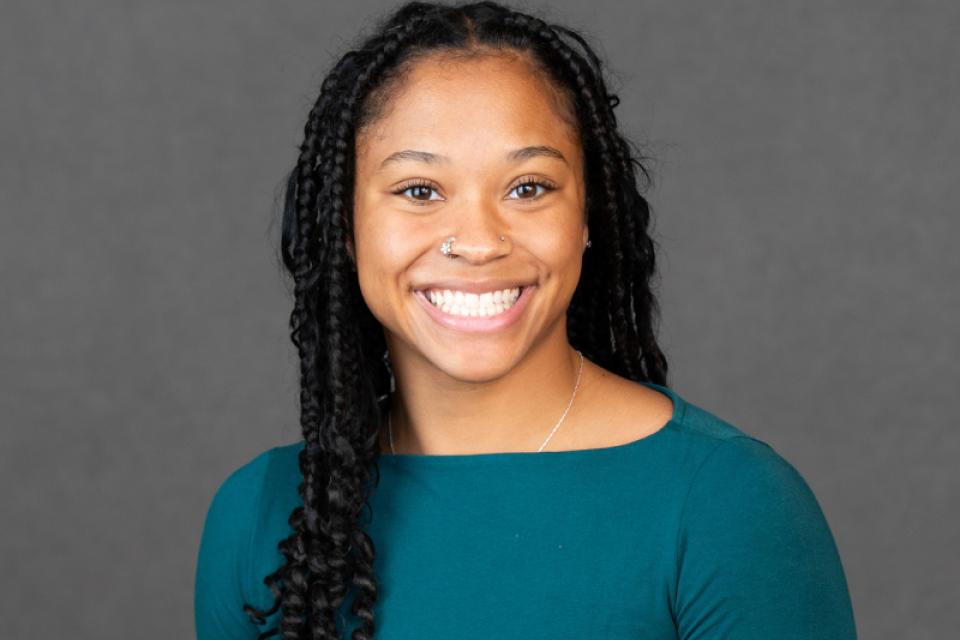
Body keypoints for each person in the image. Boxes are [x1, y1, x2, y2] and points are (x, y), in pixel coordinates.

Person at [193, 2, 858, 638]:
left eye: (528, 188)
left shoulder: (728, 506)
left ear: (588, 216)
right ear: (345, 227)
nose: (478, 240)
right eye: (419, 192)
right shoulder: (266, 517)